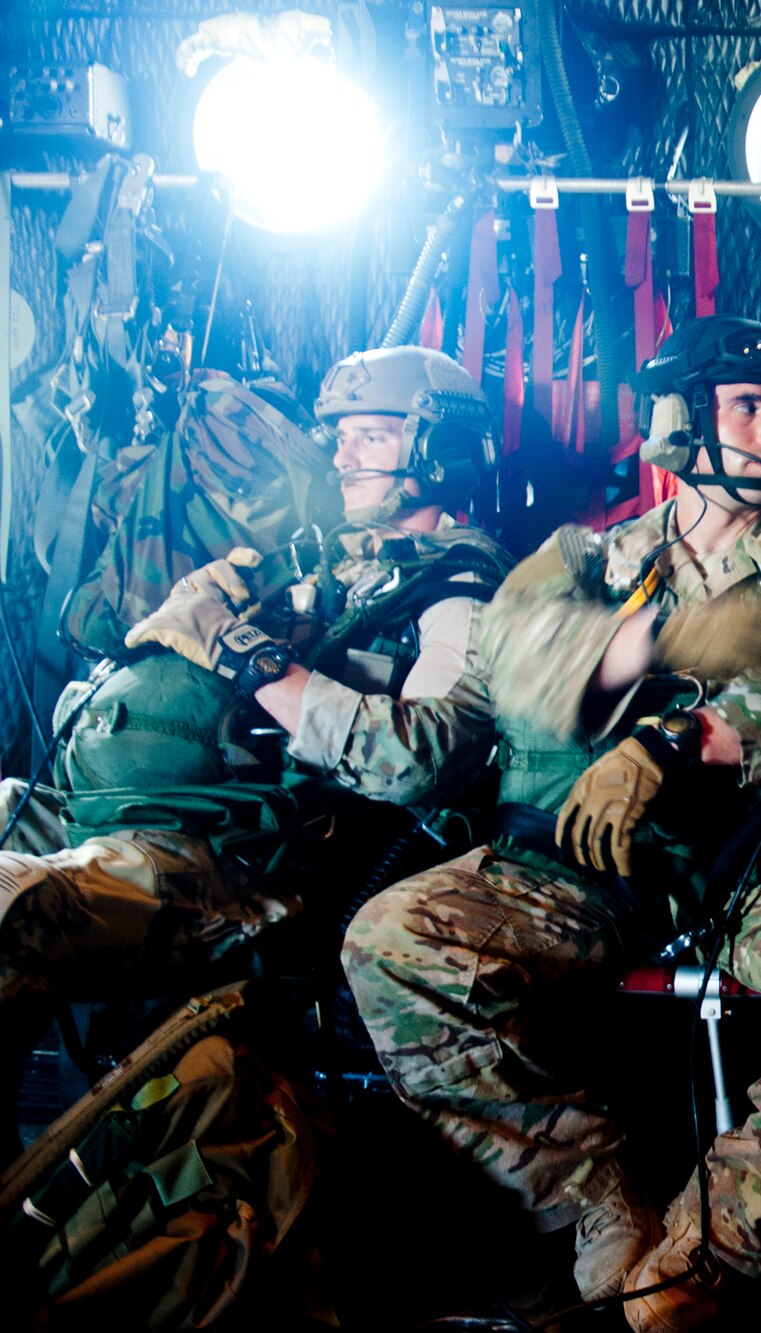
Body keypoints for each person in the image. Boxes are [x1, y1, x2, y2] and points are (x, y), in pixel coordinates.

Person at [340, 315, 761, 1332]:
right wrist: (631, 647)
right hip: (590, 865)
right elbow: (511, 663)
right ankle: (591, 1200)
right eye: (747, 407)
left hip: (751, 865)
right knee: (389, 943)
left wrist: (672, 740)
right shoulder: (587, 557)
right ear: (679, 423)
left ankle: (715, 1246)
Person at [0, 344, 510, 1057]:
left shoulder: (460, 590)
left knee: (9, 905)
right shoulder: (321, 565)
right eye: (339, 437)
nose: (343, 457)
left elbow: (419, 760)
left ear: (440, 450)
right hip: (118, 805)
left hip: (226, 862)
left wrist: (244, 654)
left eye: (372, 433)